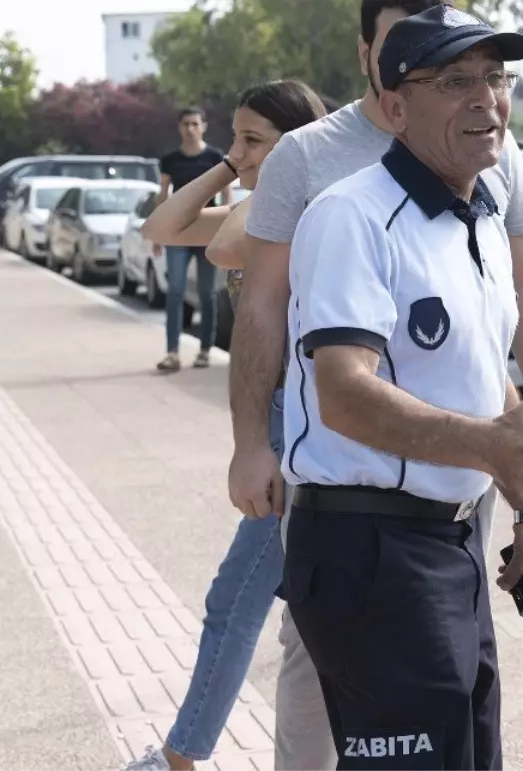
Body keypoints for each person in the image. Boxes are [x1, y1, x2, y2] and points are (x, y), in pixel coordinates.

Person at [227, 0, 523, 770]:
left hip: (453, 550)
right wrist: (492, 447)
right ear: (396, 104)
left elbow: (487, 386)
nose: (486, 100)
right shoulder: (349, 211)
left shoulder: (474, 216)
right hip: (369, 548)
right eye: (455, 82)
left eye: (496, 77)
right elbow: (343, 392)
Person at [124, 79, 328, 771]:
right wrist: (229, 163)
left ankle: (181, 758)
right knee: (283, 615)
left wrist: (264, 166)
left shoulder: (303, 206)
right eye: (233, 135)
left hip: (299, 431)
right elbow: (160, 228)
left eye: (251, 139)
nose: (235, 151)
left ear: (297, 146)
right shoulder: (262, 200)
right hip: (285, 424)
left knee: (237, 600)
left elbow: (220, 247)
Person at [154, 107, 231, 373]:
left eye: (195, 123)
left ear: (203, 126)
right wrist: (158, 232)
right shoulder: (170, 160)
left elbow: (226, 196)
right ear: (179, 127)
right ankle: (172, 352)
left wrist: (225, 230)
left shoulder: (214, 157)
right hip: (178, 232)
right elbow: (163, 196)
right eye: (186, 124)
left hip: (206, 232)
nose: (190, 128)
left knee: (207, 293)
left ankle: (204, 350)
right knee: (175, 291)